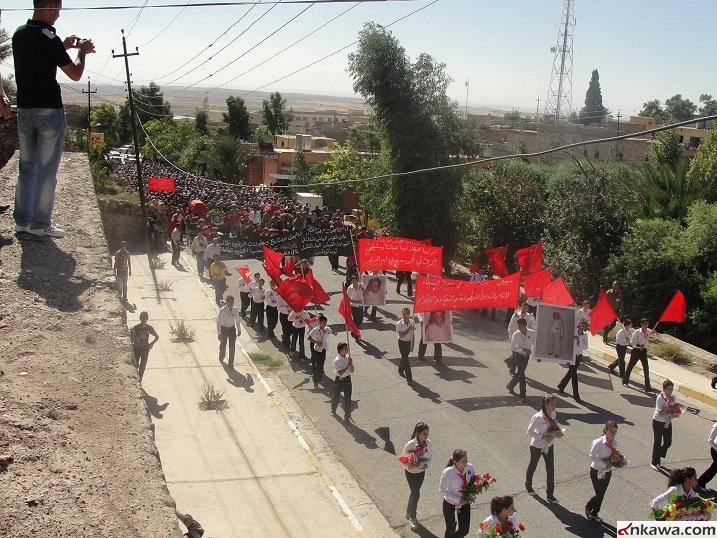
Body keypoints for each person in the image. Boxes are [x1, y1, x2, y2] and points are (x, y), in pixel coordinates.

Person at [12, 0, 95, 238]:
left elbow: (39, 55)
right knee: (47, 171)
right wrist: (81, 52)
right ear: (47, 6)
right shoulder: (50, 38)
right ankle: (40, 223)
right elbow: (76, 74)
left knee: (27, 168)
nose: (58, 14)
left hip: (25, 110)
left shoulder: (19, 34)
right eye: (57, 8)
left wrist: (62, 46)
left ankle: (22, 221)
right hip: (49, 111)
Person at [525, 395, 562, 503]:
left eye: (555, 404)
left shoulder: (554, 414)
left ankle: (550, 495)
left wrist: (558, 431)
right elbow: (530, 431)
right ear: (546, 405)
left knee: (550, 470)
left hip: (549, 445)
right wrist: (542, 437)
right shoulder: (538, 417)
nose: (555, 406)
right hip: (537, 446)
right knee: (533, 465)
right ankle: (528, 486)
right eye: (553, 404)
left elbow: (554, 425)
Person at [585, 421, 620, 523]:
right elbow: (591, 456)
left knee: (601, 494)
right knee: (599, 494)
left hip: (607, 471)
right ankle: (588, 507)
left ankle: (595, 513)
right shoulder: (598, 442)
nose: (613, 433)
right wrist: (603, 464)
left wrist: (617, 462)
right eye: (611, 431)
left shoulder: (615, 442)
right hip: (596, 470)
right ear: (605, 430)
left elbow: (613, 456)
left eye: (615, 431)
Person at [402, 422, 432, 531]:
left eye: (427, 434)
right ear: (418, 433)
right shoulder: (411, 444)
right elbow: (403, 457)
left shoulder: (428, 444)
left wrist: (425, 465)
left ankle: (408, 512)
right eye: (424, 434)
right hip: (410, 473)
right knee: (416, 493)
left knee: (414, 492)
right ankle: (413, 518)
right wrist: (410, 463)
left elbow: (429, 458)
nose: (426, 436)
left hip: (421, 472)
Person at [439, 448, 474, 538]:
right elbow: (443, 489)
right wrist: (458, 500)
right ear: (455, 461)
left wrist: (473, 493)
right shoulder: (448, 472)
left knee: (464, 530)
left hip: (465, 502)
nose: (466, 463)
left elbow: (473, 482)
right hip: (450, 503)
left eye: (466, 460)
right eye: (463, 461)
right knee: (451, 528)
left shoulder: (470, 468)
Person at [557, 321, 587, 403]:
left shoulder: (585, 335)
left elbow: (585, 347)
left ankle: (561, 385)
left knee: (571, 372)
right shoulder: (573, 332)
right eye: (581, 325)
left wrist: (578, 342)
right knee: (574, 375)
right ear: (578, 325)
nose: (581, 327)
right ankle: (576, 395)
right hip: (571, 356)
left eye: (583, 326)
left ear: (585, 328)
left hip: (578, 356)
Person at [623, 318, 656, 392]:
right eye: (645, 324)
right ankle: (625, 381)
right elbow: (632, 342)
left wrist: (654, 333)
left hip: (643, 352)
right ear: (641, 324)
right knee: (630, 366)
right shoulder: (637, 332)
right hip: (636, 351)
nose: (646, 325)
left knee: (646, 368)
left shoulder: (648, 331)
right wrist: (638, 345)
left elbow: (654, 333)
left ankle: (647, 387)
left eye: (647, 324)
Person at [506, 318, 535, 403]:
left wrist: (532, 352)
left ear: (524, 325)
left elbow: (535, 343)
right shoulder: (516, 334)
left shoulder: (531, 333)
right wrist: (523, 350)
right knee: (522, 374)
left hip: (526, 357)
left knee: (519, 373)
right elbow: (513, 347)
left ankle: (510, 385)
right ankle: (523, 395)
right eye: (518, 325)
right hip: (518, 356)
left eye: (520, 325)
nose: (518, 327)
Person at [651, 379, 676, 470]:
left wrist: (676, 412)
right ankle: (655, 462)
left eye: (672, 389)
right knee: (657, 442)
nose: (670, 391)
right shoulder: (660, 398)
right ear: (664, 389)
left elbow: (673, 409)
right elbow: (661, 413)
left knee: (668, 442)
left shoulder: (673, 397)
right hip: (658, 422)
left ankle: (659, 453)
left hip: (667, 421)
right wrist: (667, 403)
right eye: (668, 389)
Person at [307, 314, 336, 388]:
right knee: (318, 366)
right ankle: (315, 380)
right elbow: (309, 338)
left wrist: (334, 333)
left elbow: (332, 332)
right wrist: (316, 342)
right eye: (323, 323)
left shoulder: (326, 329)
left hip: (324, 349)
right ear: (319, 322)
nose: (325, 324)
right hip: (317, 350)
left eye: (325, 323)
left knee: (321, 364)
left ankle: (319, 378)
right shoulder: (315, 329)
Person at [130, 311, 159, 380]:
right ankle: (136, 380)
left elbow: (157, 337)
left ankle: (140, 380)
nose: (144, 319)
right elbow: (131, 338)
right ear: (140, 318)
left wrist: (151, 344)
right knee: (135, 365)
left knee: (142, 366)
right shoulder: (135, 328)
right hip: (137, 349)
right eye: (143, 318)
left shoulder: (149, 328)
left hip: (145, 349)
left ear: (147, 318)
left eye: (145, 318)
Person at [216, 295, 241, 368]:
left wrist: (239, 330)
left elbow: (237, 320)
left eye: (232, 302)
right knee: (223, 344)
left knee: (232, 347)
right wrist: (219, 334)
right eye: (229, 302)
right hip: (224, 329)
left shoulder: (235, 309)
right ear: (226, 302)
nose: (231, 303)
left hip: (232, 330)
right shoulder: (222, 310)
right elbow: (219, 322)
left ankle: (231, 364)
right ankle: (221, 355)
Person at [331, 342, 354, 420]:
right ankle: (333, 410)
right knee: (336, 397)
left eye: (347, 348)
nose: (347, 350)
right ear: (340, 350)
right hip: (339, 380)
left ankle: (347, 415)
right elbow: (340, 373)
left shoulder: (349, 358)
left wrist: (351, 364)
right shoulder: (337, 360)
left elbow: (352, 370)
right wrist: (348, 366)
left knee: (348, 399)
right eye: (345, 348)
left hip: (347, 380)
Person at [396, 307, 416, 385]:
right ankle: (409, 378)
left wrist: (412, 345)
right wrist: (409, 329)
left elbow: (413, 335)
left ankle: (400, 369)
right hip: (402, 342)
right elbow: (401, 335)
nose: (405, 315)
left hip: (408, 342)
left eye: (407, 313)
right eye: (404, 313)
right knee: (406, 360)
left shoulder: (412, 322)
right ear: (402, 314)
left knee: (404, 357)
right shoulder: (399, 323)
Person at [697, 421, 717, 489]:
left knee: (715, 467)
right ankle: (701, 482)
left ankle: (701, 482)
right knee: (715, 467)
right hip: (715, 449)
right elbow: (710, 440)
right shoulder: (716, 426)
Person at [346, 275, 365, 340]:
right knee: (356, 320)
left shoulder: (361, 285)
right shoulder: (350, 288)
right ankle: (357, 335)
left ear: (357, 280)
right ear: (351, 281)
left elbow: (367, 293)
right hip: (354, 306)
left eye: (355, 280)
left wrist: (362, 289)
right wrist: (356, 302)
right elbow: (348, 299)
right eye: (353, 281)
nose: (354, 282)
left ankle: (353, 331)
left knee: (360, 320)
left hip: (361, 305)